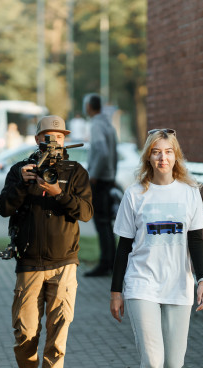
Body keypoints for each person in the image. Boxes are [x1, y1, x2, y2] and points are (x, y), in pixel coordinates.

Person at [109, 128, 203, 368]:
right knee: (152, 361)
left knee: (173, 364)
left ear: (175, 155)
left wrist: (202, 280)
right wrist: (116, 291)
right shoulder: (135, 194)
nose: (162, 157)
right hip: (142, 283)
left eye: (167, 151)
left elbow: (196, 239)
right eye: (156, 152)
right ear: (148, 157)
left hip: (178, 284)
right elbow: (123, 246)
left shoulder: (189, 193)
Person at [0, 115, 93, 368]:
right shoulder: (21, 170)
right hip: (29, 263)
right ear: (37, 139)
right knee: (25, 331)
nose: (54, 142)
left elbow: (86, 213)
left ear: (66, 140)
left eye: (59, 137)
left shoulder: (75, 172)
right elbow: (3, 208)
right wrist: (22, 185)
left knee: (58, 331)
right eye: (48, 137)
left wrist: (58, 193)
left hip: (65, 263)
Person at [83, 93, 118, 277]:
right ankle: (112, 262)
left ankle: (105, 263)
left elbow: (103, 152)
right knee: (107, 223)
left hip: (100, 180)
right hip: (108, 178)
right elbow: (113, 153)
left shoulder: (96, 125)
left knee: (101, 222)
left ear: (89, 106)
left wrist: (94, 175)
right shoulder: (108, 124)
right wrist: (112, 174)